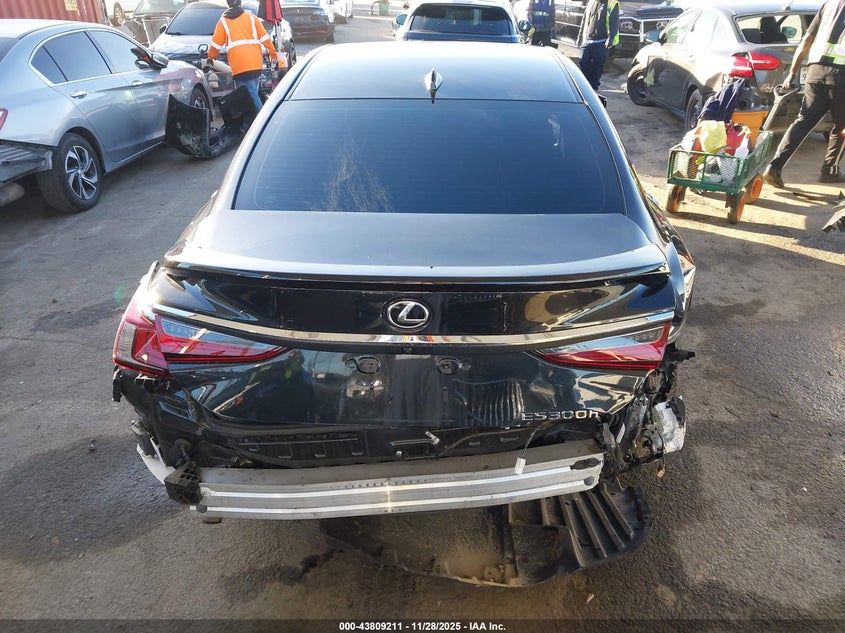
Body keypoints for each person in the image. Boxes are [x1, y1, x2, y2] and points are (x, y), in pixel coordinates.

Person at [763, 0, 845, 187]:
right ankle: (830, 170)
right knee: (843, 126)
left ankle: (774, 167)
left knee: (804, 120)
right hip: (841, 75)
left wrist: (792, 73)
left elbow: (806, 40)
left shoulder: (829, 5)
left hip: (815, 71)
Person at [207, 0, 278, 114]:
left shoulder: (223, 22)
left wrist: (211, 57)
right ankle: (254, 118)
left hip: (239, 65)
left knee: (250, 94)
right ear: (240, 3)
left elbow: (216, 44)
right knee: (252, 91)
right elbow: (265, 39)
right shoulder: (252, 18)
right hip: (255, 63)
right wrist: (273, 54)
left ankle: (263, 117)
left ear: (228, 4)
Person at [578, 0, 619, 91]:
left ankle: (593, 88)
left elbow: (614, 23)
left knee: (597, 67)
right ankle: (586, 85)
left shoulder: (612, 4)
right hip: (587, 40)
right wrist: (579, 37)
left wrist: (610, 38)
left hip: (601, 42)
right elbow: (584, 20)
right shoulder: (591, 2)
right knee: (583, 62)